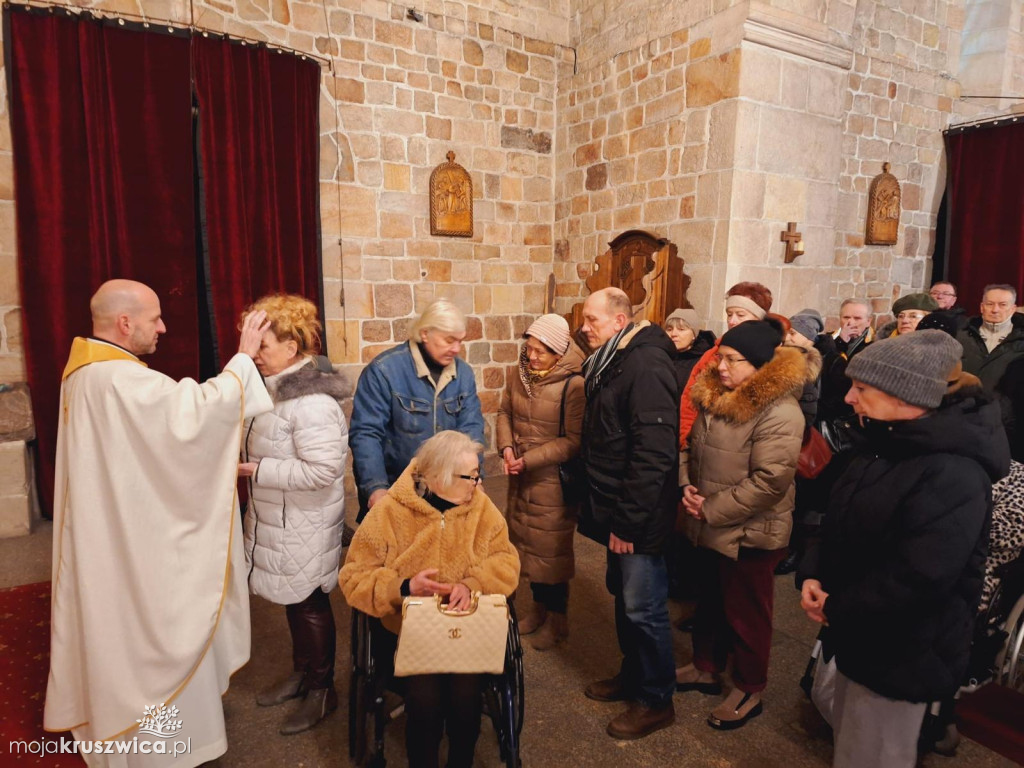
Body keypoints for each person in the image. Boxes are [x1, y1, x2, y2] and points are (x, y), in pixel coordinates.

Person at [45, 279, 274, 767]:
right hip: (131, 541)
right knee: (152, 627)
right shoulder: (120, 380)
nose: (163, 327)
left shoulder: (85, 373)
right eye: (155, 319)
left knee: (114, 626)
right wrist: (242, 360)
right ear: (125, 323)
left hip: (108, 528)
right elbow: (192, 420)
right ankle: (157, 749)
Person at [798, 330, 1010, 768]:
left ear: (907, 394)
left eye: (862, 389)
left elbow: (920, 576)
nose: (850, 399)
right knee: (850, 739)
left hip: (904, 650)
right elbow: (837, 518)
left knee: (874, 755)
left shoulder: (953, 473)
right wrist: (814, 573)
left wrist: (838, 606)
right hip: (859, 629)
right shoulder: (884, 442)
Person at [339, 431, 520, 768]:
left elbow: (507, 562)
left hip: (467, 629)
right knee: (425, 700)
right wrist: (403, 587)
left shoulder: (481, 509)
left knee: (466, 698)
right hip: (407, 632)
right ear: (439, 477)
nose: (478, 484)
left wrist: (473, 583)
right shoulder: (390, 513)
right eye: (471, 477)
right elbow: (353, 577)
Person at [677, 320, 807, 730]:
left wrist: (710, 508)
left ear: (761, 366)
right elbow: (691, 447)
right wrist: (687, 487)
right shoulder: (717, 395)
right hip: (710, 517)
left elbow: (770, 481)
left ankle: (751, 687)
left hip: (752, 531)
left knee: (748, 612)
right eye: (721, 358)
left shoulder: (781, 411)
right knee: (711, 600)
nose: (721, 368)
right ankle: (705, 666)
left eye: (733, 360)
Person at [238, 294, 349, 734]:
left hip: (304, 521)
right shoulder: (274, 388)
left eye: (263, 346)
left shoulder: (313, 402)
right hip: (281, 519)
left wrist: (257, 469)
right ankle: (302, 675)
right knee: (292, 599)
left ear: (292, 347)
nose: (255, 355)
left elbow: (324, 470)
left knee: (309, 603)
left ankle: (324, 691)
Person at [577, 287, 679, 740]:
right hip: (616, 505)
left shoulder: (645, 364)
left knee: (644, 607)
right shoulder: (616, 358)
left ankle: (656, 699)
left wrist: (628, 522)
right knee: (623, 595)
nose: (584, 327)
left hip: (638, 515)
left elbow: (653, 454)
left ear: (619, 322)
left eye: (591, 320)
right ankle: (633, 675)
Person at [495, 314, 585, 651]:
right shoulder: (519, 374)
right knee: (525, 546)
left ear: (559, 354)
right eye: (529, 349)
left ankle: (557, 620)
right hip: (520, 477)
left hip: (550, 481)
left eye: (541, 352)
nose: (532, 357)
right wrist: (505, 446)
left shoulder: (573, 385)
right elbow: (504, 412)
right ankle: (538, 609)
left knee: (552, 552)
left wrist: (529, 459)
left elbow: (574, 441)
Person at [350, 299, 485, 521]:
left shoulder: (464, 374)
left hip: (448, 492)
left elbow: (472, 429)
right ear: (425, 334)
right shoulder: (384, 371)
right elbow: (366, 434)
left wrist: (475, 479)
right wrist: (376, 488)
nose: (456, 349)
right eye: (449, 340)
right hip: (398, 492)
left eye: (460, 341)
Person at [679, 282, 774, 446]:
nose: (732, 321)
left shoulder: (775, 353)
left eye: (740, 315)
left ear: (758, 318)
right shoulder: (713, 354)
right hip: (706, 444)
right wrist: (684, 442)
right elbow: (689, 400)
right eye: (729, 314)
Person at [776, 308, 827, 576]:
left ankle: (793, 551)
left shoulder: (808, 363)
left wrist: (792, 433)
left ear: (809, 338)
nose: (789, 337)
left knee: (797, 501)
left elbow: (808, 409)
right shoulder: (783, 357)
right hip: (786, 435)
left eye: (794, 333)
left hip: (796, 438)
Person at [662, 308, 716, 397]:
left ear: (694, 335)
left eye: (681, 329)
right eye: (669, 329)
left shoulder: (704, 362)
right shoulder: (660, 356)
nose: (673, 334)